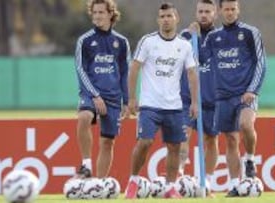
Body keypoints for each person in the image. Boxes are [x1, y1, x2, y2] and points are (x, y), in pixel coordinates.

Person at [125, 2, 198, 199]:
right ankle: (133, 181)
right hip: (150, 105)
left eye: (169, 16)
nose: (166, 20)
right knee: (145, 142)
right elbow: (134, 68)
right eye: (162, 16)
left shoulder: (184, 46)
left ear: (177, 19)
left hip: (174, 106)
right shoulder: (147, 41)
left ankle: (170, 187)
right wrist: (131, 98)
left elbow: (192, 74)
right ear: (158, 19)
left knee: (175, 147)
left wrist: (195, 102)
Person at [202, 0, 267, 197]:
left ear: (238, 10)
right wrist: (191, 38)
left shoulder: (250, 33)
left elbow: (261, 63)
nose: (230, 13)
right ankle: (234, 184)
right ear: (220, 11)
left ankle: (250, 159)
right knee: (230, 140)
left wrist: (253, 89)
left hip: (245, 93)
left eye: (233, 9)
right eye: (226, 9)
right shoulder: (213, 37)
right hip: (223, 96)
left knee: (246, 125)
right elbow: (200, 60)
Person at [74, 0, 130, 178]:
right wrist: (95, 95)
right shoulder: (85, 40)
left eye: (101, 12)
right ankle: (86, 164)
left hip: (113, 96)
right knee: (84, 117)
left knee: (107, 142)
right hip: (91, 92)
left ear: (110, 14)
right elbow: (80, 69)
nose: (97, 16)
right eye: (94, 12)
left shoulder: (121, 42)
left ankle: (99, 183)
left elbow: (124, 73)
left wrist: (127, 101)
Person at [178, 0, 218, 194]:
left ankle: (208, 181)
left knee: (211, 140)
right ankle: (179, 176)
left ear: (214, 14)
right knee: (183, 136)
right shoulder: (185, 36)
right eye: (200, 11)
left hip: (212, 99)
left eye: (207, 12)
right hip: (187, 98)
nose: (203, 15)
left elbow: (206, 59)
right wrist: (192, 37)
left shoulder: (220, 37)